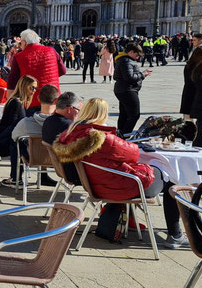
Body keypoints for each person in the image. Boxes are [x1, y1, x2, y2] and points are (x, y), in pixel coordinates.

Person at [53, 99, 180, 246]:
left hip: (96, 184)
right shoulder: (102, 138)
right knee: (171, 179)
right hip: (116, 186)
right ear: (103, 114)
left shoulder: (72, 133)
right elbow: (133, 154)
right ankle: (175, 234)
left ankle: (130, 221)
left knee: (153, 173)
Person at [6, 30, 66, 108]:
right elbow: (63, 70)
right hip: (53, 97)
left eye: (20, 43)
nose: (20, 45)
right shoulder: (52, 51)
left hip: (31, 100)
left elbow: (12, 81)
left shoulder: (19, 57)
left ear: (24, 42)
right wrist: (49, 76)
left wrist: (9, 102)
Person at [41, 91, 83, 185]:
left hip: (61, 169)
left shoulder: (48, 121)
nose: (80, 114)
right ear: (69, 109)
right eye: (79, 110)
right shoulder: (69, 127)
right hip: (76, 173)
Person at [113, 43, 150, 136]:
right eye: (137, 55)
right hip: (128, 90)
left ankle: (120, 134)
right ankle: (125, 135)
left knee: (124, 114)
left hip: (122, 89)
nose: (138, 58)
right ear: (131, 52)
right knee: (134, 115)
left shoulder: (122, 59)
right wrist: (143, 74)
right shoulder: (126, 61)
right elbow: (129, 77)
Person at [180, 46, 202, 120]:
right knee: (190, 123)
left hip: (191, 96)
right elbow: (194, 82)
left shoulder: (190, 65)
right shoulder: (192, 67)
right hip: (193, 96)